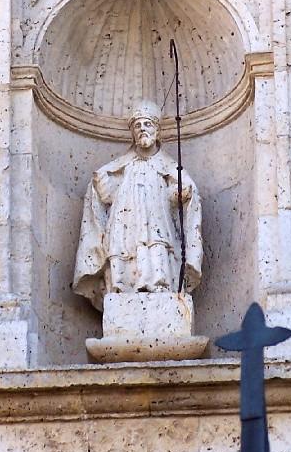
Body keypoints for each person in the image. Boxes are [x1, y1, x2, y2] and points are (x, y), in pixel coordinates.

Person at [73, 100, 203, 310]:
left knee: (157, 244)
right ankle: (121, 286)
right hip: (125, 220)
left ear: (157, 130)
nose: (142, 129)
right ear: (132, 133)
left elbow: (183, 194)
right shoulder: (122, 165)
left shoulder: (168, 166)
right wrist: (100, 184)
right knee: (121, 247)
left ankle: (160, 284)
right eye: (138, 125)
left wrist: (181, 193)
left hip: (157, 219)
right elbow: (106, 194)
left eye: (147, 124)